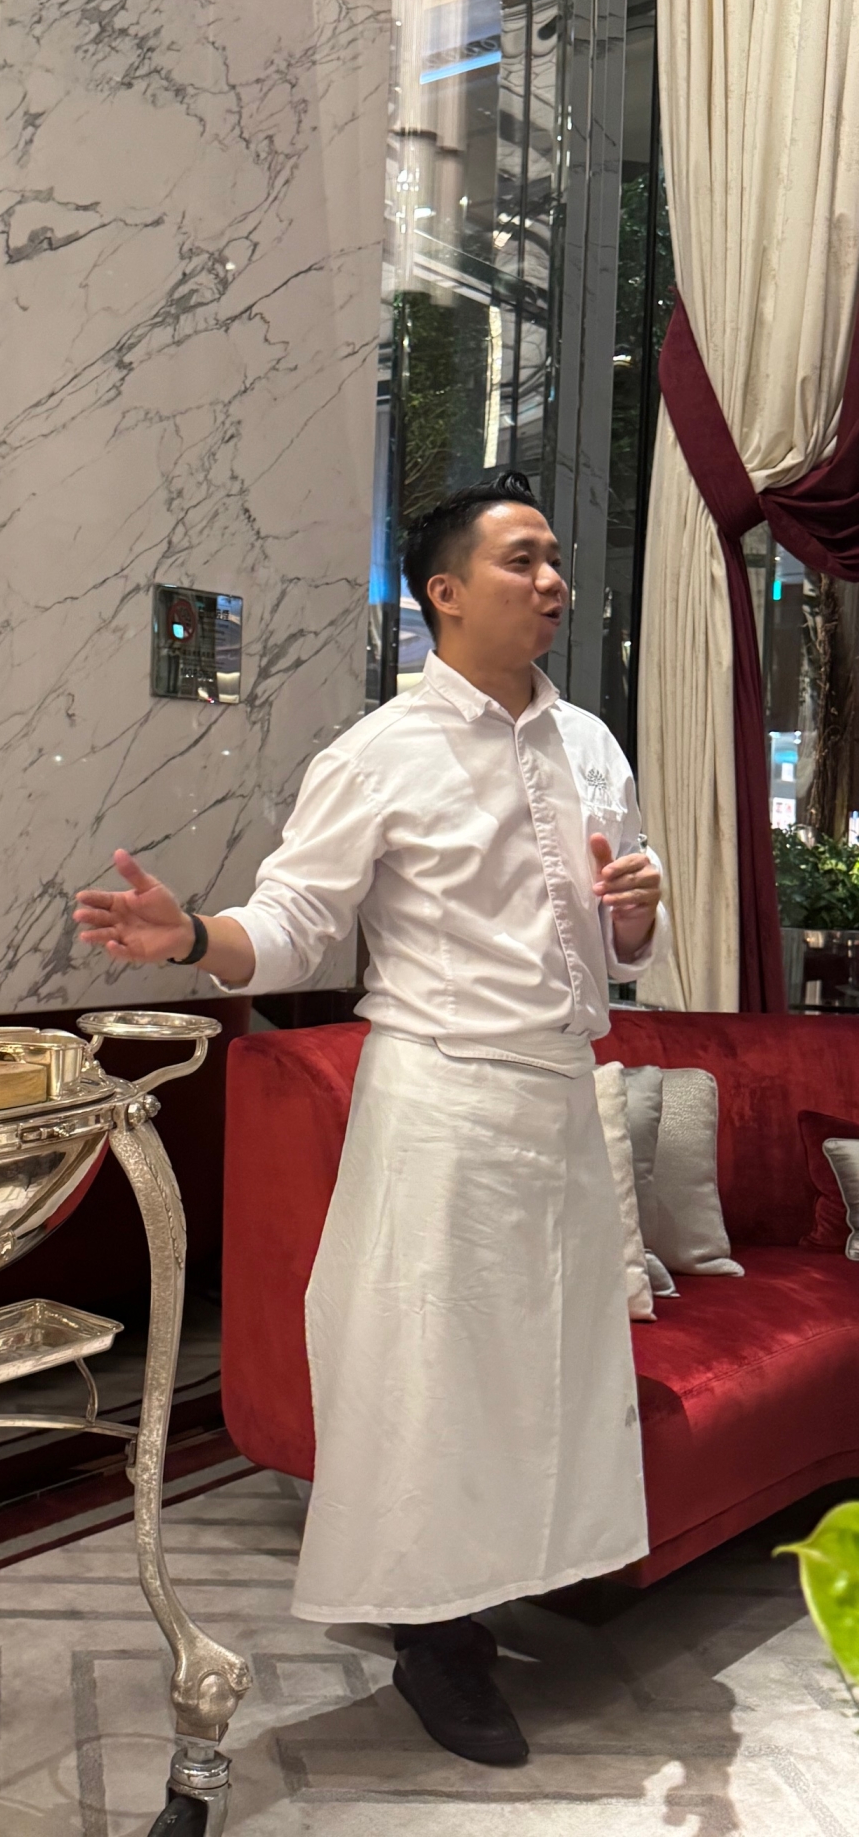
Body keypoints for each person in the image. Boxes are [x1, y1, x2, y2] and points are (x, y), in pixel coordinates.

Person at [73, 471, 666, 1768]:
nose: (554, 581)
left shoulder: (591, 746)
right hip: (443, 1098)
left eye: (555, 558)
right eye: (522, 560)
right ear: (444, 593)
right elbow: (296, 924)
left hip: (562, 1095)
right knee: (433, 1374)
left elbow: (618, 944)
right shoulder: (378, 755)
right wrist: (195, 937)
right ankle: (435, 1640)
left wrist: (634, 915)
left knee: (548, 1368)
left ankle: (513, 1577)